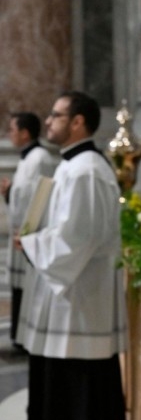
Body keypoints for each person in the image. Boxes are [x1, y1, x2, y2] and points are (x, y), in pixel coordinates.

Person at [16, 91, 128, 420]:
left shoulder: (86, 171)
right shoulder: (72, 165)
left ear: (78, 122)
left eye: (56, 115)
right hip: (72, 296)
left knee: (80, 392)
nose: (47, 121)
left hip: (80, 301)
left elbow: (77, 237)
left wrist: (33, 244)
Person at [0, 112, 59, 348]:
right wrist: (10, 190)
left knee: (28, 290)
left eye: (12, 130)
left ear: (25, 133)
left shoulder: (40, 158)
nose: (9, 135)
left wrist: (12, 188)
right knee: (19, 289)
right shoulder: (29, 158)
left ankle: (25, 338)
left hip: (32, 234)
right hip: (22, 232)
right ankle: (18, 336)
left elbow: (39, 197)